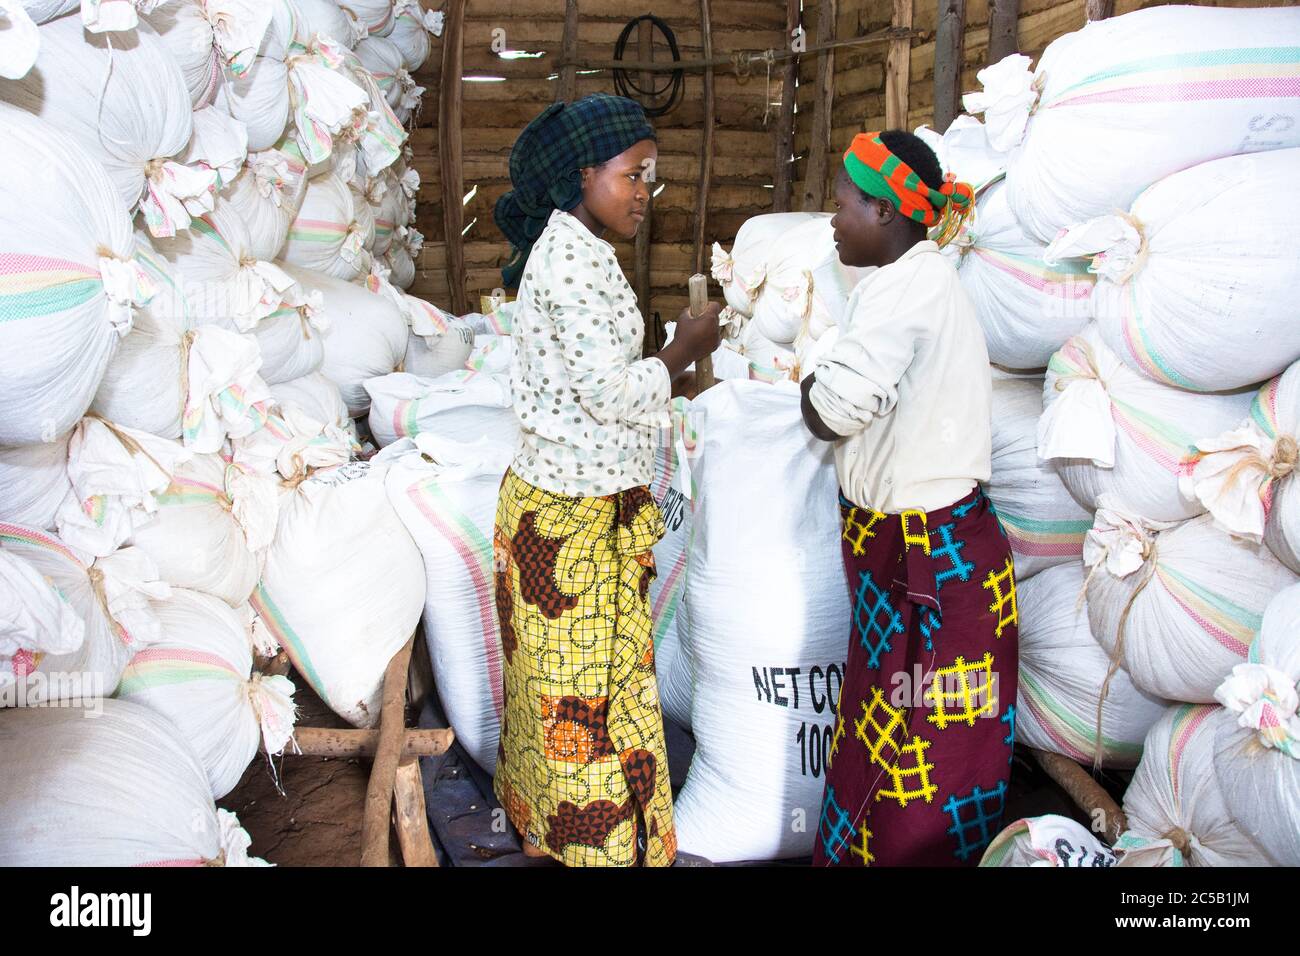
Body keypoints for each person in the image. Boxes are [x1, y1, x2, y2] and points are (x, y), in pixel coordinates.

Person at [490, 93, 722, 867]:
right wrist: (680, 352)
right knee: (579, 704)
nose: (643, 193)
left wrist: (664, 373)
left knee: (594, 688)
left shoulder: (583, 249)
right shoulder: (570, 262)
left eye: (651, 176)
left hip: (586, 513)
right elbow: (609, 391)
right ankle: (594, 849)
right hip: (568, 529)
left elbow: (603, 378)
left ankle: (588, 835)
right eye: (633, 174)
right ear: (584, 173)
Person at [801, 130, 1018, 866]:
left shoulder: (905, 290)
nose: (833, 219)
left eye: (842, 205)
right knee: (906, 736)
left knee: (921, 755)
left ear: (887, 212)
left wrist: (809, 381)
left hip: (929, 566)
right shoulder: (909, 283)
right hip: (921, 556)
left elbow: (830, 412)